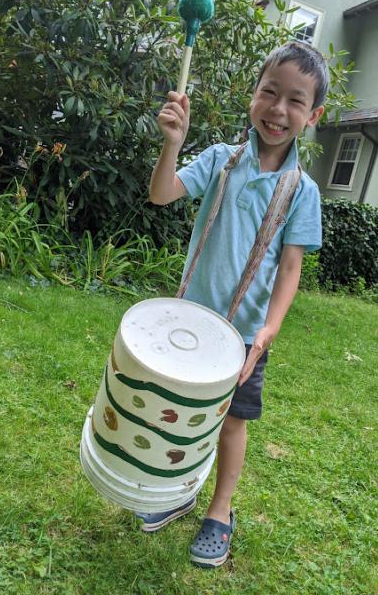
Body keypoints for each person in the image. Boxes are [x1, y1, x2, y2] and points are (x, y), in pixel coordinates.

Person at [143, 40, 329, 568]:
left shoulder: (302, 192)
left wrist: (267, 334)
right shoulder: (221, 160)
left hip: (246, 335)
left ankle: (220, 510)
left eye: (295, 100)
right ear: (253, 96)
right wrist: (171, 144)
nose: (278, 109)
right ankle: (178, 492)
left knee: (229, 422)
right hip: (191, 322)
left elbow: (290, 270)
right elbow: (162, 193)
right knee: (182, 414)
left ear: (312, 115)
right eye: (269, 93)